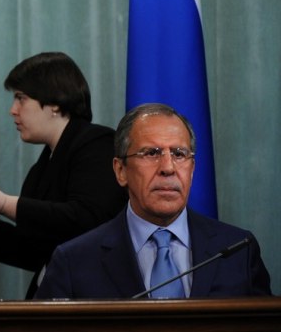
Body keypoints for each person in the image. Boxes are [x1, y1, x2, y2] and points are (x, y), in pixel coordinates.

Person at [35, 103, 272, 299]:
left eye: (179, 154)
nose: (168, 168)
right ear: (120, 171)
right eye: (151, 153)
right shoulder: (74, 261)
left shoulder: (238, 249)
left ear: (192, 170)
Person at [0, 52, 128, 298]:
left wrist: (5, 204)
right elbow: (37, 250)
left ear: (54, 103)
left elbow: (87, 220)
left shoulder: (98, 144)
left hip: (92, 305)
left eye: (21, 98)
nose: (12, 110)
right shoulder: (41, 168)